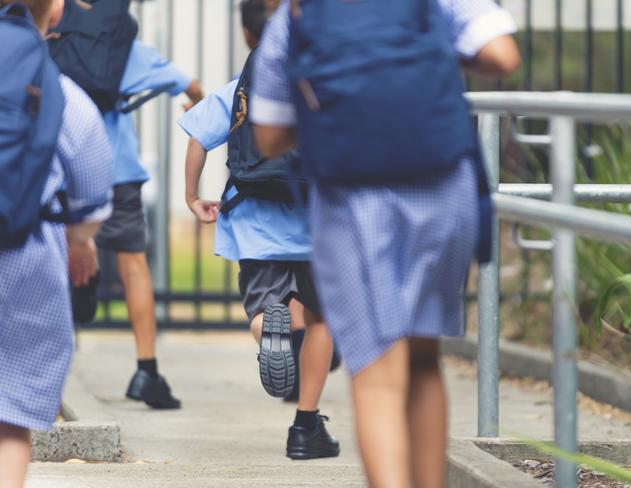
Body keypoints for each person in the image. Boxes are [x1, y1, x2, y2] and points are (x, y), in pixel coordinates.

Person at [250, 0, 520, 486]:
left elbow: (268, 135)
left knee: (375, 374)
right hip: (442, 181)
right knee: (422, 357)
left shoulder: (296, 11)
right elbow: (502, 56)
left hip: (351, 195)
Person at [177, 0, 340, 460]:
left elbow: (196, 139)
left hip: (254, 219)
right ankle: (306, 427)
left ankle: (269, 327)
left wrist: (192, 196)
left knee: (264, 307)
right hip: (316, 217)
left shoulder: (241, 88)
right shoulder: (323, 82)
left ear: (250, 38)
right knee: (323, 317)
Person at [0, 1, 114, 486]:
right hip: (25, 256)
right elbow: (94, 199)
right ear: (57, 12)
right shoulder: (63, 96)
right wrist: (80, 240)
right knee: (9, 414)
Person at [93, 38, 204, 410]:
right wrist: (198, 102)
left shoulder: (40, 36)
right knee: (133, 263)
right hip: (116, 169)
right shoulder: (118, 43)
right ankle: (146, 370)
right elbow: (186, 82)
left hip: (58, 169)